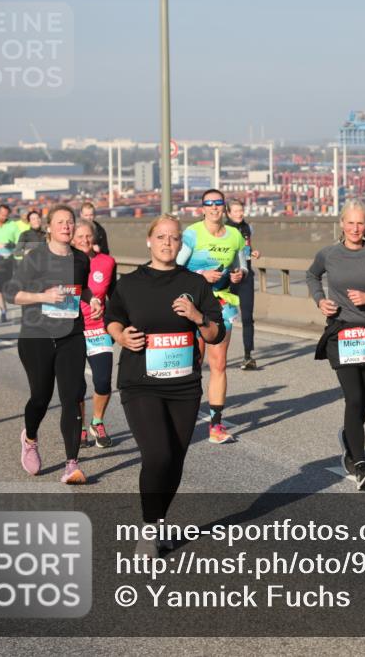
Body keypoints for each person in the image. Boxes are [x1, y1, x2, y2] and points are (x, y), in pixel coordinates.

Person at [105, 214, 225, 557]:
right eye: (160, 237)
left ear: (181, 244)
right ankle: (148, 528)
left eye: (173, 238)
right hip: (140, 381)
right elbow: (113, 318)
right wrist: (120, 335)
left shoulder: (195, 284)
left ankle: (159, 522)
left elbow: (216, 333)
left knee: (175, 458)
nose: (167, 242)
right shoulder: (130, 283)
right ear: (149, 241)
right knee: (157, 454)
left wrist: (198, 316)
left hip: (184, 385)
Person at [307, 199, 365, 490]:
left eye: (360, 223)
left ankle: (348, 438)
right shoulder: (329, 254)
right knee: (354, 398)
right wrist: (320, 300)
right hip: (341, 333)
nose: (355, 228)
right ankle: (359, 464)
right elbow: (311, 275)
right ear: (341, 224)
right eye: (350, 222)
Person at [9, 204, 102, 484]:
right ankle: (30, 437)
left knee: (72, 396)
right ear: (49, 227)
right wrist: (43, 297)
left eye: (70, 222)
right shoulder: (35, 258)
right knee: (41, 396)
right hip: (36, 336)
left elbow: (82, 288)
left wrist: (93, 299)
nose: (66, 226)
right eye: (60, 222)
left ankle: (71, 464)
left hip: (72, 335)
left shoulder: (80, 259)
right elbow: (14, 293)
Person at [176, 188, 245, 444]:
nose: (215, 207)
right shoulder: (192, 234)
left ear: (224, 207)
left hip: (222, 303)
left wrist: (239, 274)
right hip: (193, 305)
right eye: (209, 203)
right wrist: (201, 276)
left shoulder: (235, 236)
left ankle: (216, 425)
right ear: (202, 208)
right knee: (193, 365)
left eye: (219, 203)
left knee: (219, 364)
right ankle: (182, 417)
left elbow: (243, 266)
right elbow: (176, 268)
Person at [71, 220, 117, 448]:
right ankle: (80, 427)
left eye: (88, 236)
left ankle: (97, 421)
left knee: (102, 381)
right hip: (73, 332)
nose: (84, 240)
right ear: (71, 239)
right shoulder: (63, 263)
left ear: (95, 237)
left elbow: (116, 296)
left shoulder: (107, 263)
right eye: (79, 236)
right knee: (77, 386)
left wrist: (119, 324)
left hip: (99, 329)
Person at [226, 199, 261, 370]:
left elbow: (246, 249)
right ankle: (219, 353)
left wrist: (252, 252)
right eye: (236, 210)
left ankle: (248, 356)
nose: (240, 213)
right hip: (227, 278)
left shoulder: (248, 228)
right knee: (225, 319)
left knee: (247, 317)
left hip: (246, 277)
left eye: (241, 210)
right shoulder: (223, 230)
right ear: (228, 213)